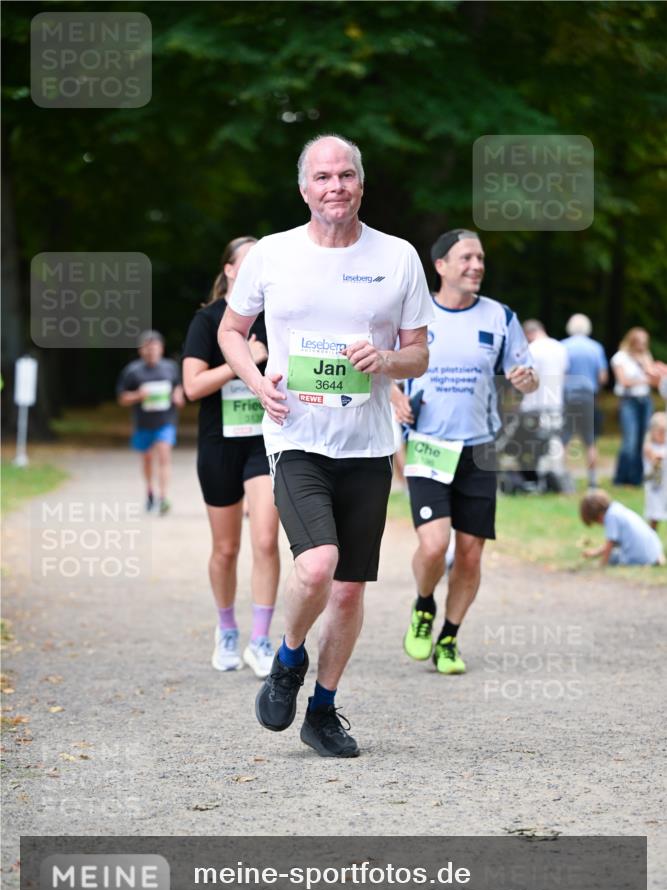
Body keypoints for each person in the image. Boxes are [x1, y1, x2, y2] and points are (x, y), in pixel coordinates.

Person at [218, 134, 432, 758]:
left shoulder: (397, 257)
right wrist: (258, 383)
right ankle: (289, 659)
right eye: (322, 177)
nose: (334, 186)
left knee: (349, 588)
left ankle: (323, 709)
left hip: (367, 445)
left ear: (361, 184)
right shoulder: (273, 255)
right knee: (316, 565)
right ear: (303, 187)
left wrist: (389, 358)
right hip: (295, 436)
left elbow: (420, 350)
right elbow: (233, 331)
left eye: (345, 175)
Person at [395, 229, 538, 675]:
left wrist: (527, 382)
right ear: (440, 266)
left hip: (479, 449)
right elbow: (384, 368)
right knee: (435, 546)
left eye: (480, 258)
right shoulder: (415, 316)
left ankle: (449, 638)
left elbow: (526, 374)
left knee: (472, 552)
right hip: (428, 446)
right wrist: (392, 394)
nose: (476, 265)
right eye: (466, 258)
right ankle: (423, 606)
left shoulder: (501, 317)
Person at [182, 237, 280, 677]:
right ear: (230, 271)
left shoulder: (277, 316)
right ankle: (226, 630)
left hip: (265, 441)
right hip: (219, 443)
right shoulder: (208, 321)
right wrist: (245, 361)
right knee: (226, 548)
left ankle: (260, 639)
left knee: (264, 541)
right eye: (249, 260)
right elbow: (192, 387)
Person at [116, 330, 184, 514]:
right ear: (141, 350)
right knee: (147, 459)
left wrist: (178, 396)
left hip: (166, 421)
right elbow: (122, 398)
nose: (151, 352)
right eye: (147, 348)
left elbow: (178, 386)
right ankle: (150, 492)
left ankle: (163, 497)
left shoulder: (170, 367)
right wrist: (138, 395)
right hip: (143, 423)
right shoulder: (132, 371)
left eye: (155, 348)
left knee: (164, 456)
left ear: (161, 349)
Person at [519, 318, 568, 489]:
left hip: (535, 405)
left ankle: (537, 480)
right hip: (556, 403)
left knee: (534, 446)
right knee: (554, 442)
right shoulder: (560, 348)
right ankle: (555, 477)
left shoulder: (532, 349)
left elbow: (527, 378)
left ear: (529, 334)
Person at [561, 313, 608, 489]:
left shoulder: (564, 346)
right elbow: (602, 377)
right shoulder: (596, 348)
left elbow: (561, 373)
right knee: (590, 440)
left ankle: (563, 480)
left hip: (568, 396)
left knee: (564, 438)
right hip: (588, 397)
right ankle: (592, 480)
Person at [611, 327, 654, 486]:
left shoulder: (645, 356)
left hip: (645, 400)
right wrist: (645, 380)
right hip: (629, 401)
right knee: (630, 440)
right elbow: (624, 382)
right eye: (639, 342)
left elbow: (653, 376)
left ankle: (637, 477)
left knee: (643, 439)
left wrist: (644, 364)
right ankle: (621, 478)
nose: (642, 345)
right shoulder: (620, 358)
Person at [580, 489, 665, 566]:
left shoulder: (611, 517)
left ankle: (643, 560)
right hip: (655, 551)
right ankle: (653, 559)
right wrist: (595, 553)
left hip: (638, 557)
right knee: (616, 551)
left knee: (613, 556)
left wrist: (603, 563)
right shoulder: (617, 509)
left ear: (598, 516)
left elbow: (610, 543)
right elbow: (615, 542)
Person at [643, 411, 667, 531]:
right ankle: (649, 540)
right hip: (655, 488)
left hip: (665, 487)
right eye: (660, 431)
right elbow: (655, 458)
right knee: (654, 517)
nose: (663, 435)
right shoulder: (649, 446)